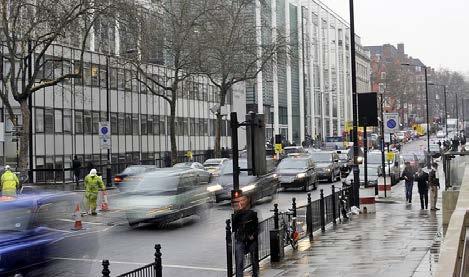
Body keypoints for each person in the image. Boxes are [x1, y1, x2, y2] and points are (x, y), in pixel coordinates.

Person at [232, 195, 259, 277]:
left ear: (247, 201)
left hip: (251, 240)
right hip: (240, 239)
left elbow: (257, 227)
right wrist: (238, 212)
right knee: (239, 261)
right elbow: (234, 227)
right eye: (240, 201)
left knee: (254, 259)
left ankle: (255, 274)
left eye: (243, 200)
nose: (241, 202)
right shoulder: (237, 214)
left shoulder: (252, 214)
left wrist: (253, 235)